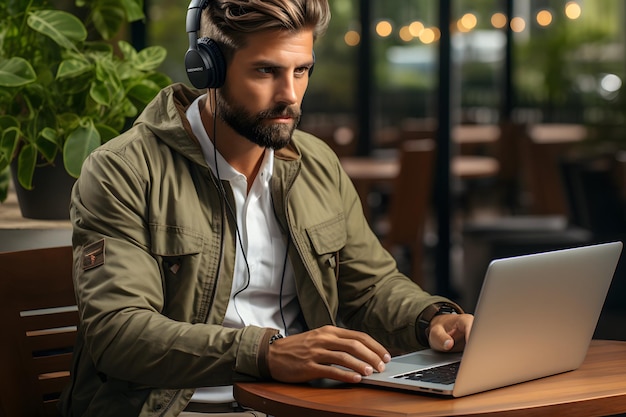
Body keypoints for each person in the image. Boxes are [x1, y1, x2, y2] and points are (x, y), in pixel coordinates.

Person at [59, 0, 473, 416]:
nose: (289, 95)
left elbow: (370, 287)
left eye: (301, 70)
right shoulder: (124, 171)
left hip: (301, 404)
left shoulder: (317, 164)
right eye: (266, 71)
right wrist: (267, 354)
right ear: (209, 69)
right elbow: (118, 333)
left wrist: (431, 319)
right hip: (177, 408)